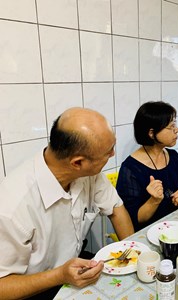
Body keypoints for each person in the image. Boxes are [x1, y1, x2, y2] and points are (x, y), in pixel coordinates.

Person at [0, 108, 134, 299]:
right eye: (108, 151)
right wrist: (59, 276)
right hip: (34, 289)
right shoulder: (12, 206)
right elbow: (2, 286)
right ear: (77, 163)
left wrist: (133, 252)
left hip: (75, 269)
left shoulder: (89, 174)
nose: (113, 154)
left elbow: (116, 208)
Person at [116, 101, 178, 231]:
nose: (176, 130)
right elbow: (133, 219)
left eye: (175, 125)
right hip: (152, 234)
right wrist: (154, 200)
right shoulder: (130, 169)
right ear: (151, 133)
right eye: (171, 126)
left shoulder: (173, 156)